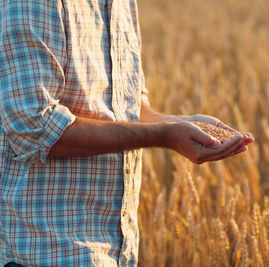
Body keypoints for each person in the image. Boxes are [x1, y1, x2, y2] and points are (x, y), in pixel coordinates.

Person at [0, 0, 253, 266]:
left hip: (117, 254)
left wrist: (182, 123)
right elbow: (33, 125)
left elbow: (132, 110)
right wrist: (164, 136)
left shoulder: (121, 4)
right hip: (44, 253)